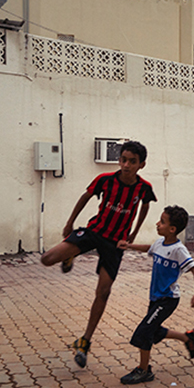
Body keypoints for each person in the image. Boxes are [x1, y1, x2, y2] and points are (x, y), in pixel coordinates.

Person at [40, 140, 157, 368]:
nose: (126, 165)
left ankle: (85, 341)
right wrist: (70, 223)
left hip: (115, 244)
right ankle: (69, 255)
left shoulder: (144, 188)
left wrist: (133, 233)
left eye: (132, 162)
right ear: (119, 160)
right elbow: (85, 197)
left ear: (141, 165)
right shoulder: (105, 180)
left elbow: (146, 205)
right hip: (94, 232)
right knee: (47, 259)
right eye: (123, 160)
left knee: (103, 292)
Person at [117, 205, 194, 384]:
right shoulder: (159, 243)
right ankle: (188, 337)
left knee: (144, 332)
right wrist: (129, 246)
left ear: (172, 229)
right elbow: (149, 248)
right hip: (155, 297)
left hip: (168, 299)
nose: (157, 224)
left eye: (162, 222)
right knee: (154, 331)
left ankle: (144, 370)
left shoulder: (179, 250)